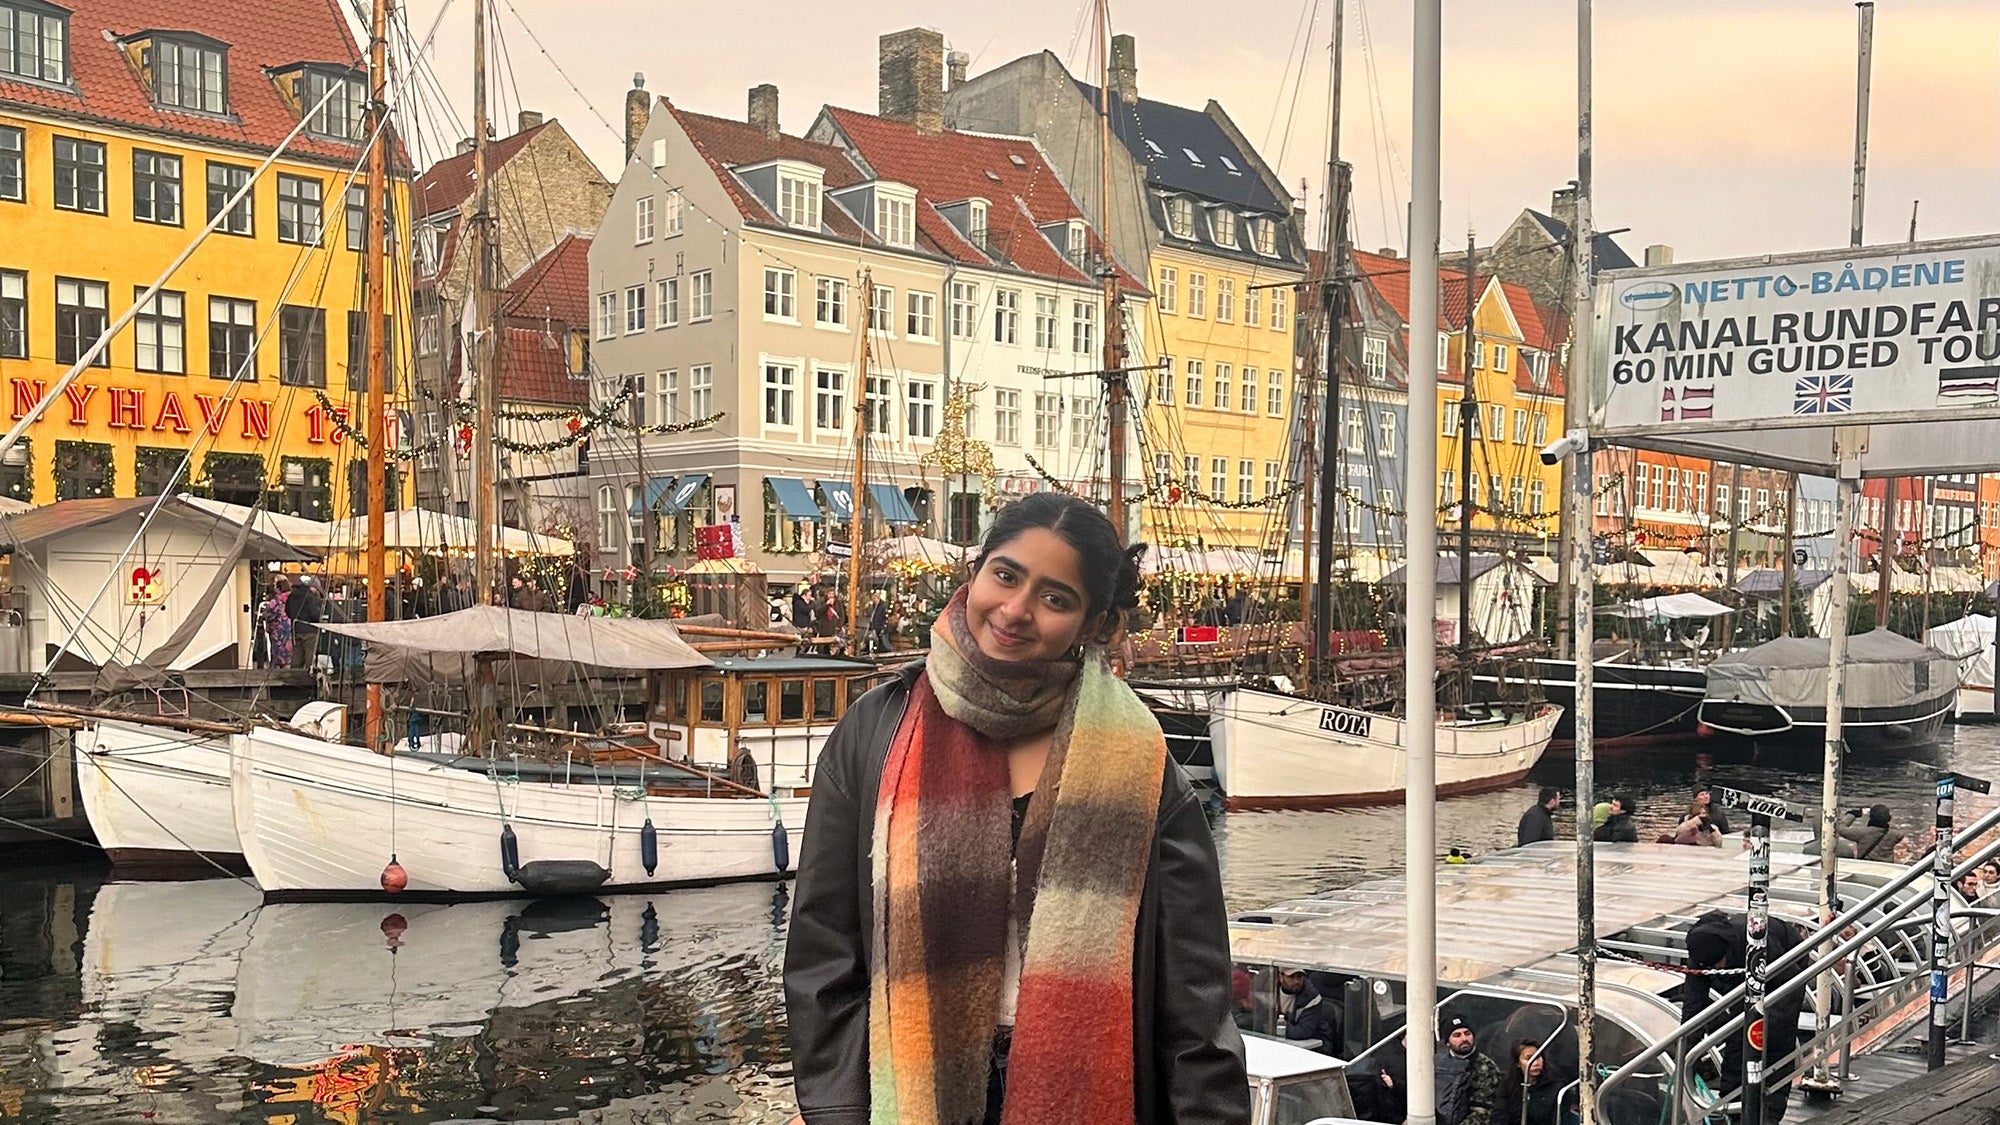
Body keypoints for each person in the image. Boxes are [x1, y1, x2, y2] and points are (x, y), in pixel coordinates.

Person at [784, 492, 1249, 1124]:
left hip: (1084, 1088)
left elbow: (1193, 1001)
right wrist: (838, 1111)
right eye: (1006, 575)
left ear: (1092, 624)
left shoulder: (1139, 760)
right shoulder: (876, 733)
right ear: (974, 572)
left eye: (1056, 599)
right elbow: (823, 953)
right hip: (911, 1091)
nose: (1016, 610)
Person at [1681, 910, 1807, 1123]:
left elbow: (1788, 986)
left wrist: (1764, 1027)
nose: (1715, 968)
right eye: (1711, 967)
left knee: (1774, 1045)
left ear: (1726, 952)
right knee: (1737, 1044)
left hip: (1784, 966)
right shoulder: (1700, 956)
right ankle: (1734, 1111)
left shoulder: (1756, 941)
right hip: (1741, 977)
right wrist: (1687, 1053)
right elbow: (1694, 1005)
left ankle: (1768, 1115)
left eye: (1718, 963)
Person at [1434, 1014, 1503, 1125]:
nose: (1464, 1039)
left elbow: (1483, 1111)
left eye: (1467, 1033)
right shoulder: (1438, 1063)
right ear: (1447, 1042)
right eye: (1457, 1035)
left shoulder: (1486, 1067)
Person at [1275, 968, 1338, 1051]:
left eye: (1299, 977)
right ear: (1281, 977)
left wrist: (1276, 1028)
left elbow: (1303, 1031)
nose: (1296, 981)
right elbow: (1260, 1023)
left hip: (1315, 1047)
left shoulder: (1312, 997)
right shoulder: (1268, 990)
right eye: (1291, 977)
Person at [1502, 1039, 1561, 1125]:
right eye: (1529, 1058)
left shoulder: (1556, 1087)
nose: (1536, 1063)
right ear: (1518, 1063)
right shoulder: (1508, 1085)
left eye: (1538, 1057)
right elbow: (1500, 1116)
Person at [1836, 804, 1904, 861]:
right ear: (1888, 818)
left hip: (1866, 864)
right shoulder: (1895, 834)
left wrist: (1852, 815)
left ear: (1871, 817)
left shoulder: (1862, 833)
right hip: (1888, 866)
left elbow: (1840, 828)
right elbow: (1901, 836)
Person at [285, 575, 324, 669]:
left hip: (296, 628)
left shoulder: (292, 595)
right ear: (313, 587)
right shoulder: (311, 596)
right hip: (309, 629)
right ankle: (309, 673)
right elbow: (314, 615)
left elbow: (287, 610)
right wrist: (320, 617)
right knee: (310, 654)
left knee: (297, 654)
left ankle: (294, 674)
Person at [256, 575, 294, 669]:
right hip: (291, 628)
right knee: (289, 650)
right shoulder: (292, 598)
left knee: (277, 652)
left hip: (278, 630)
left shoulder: (276, 601)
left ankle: (276, 669)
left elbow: (268, 614)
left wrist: (263, 616)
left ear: (278, 588)